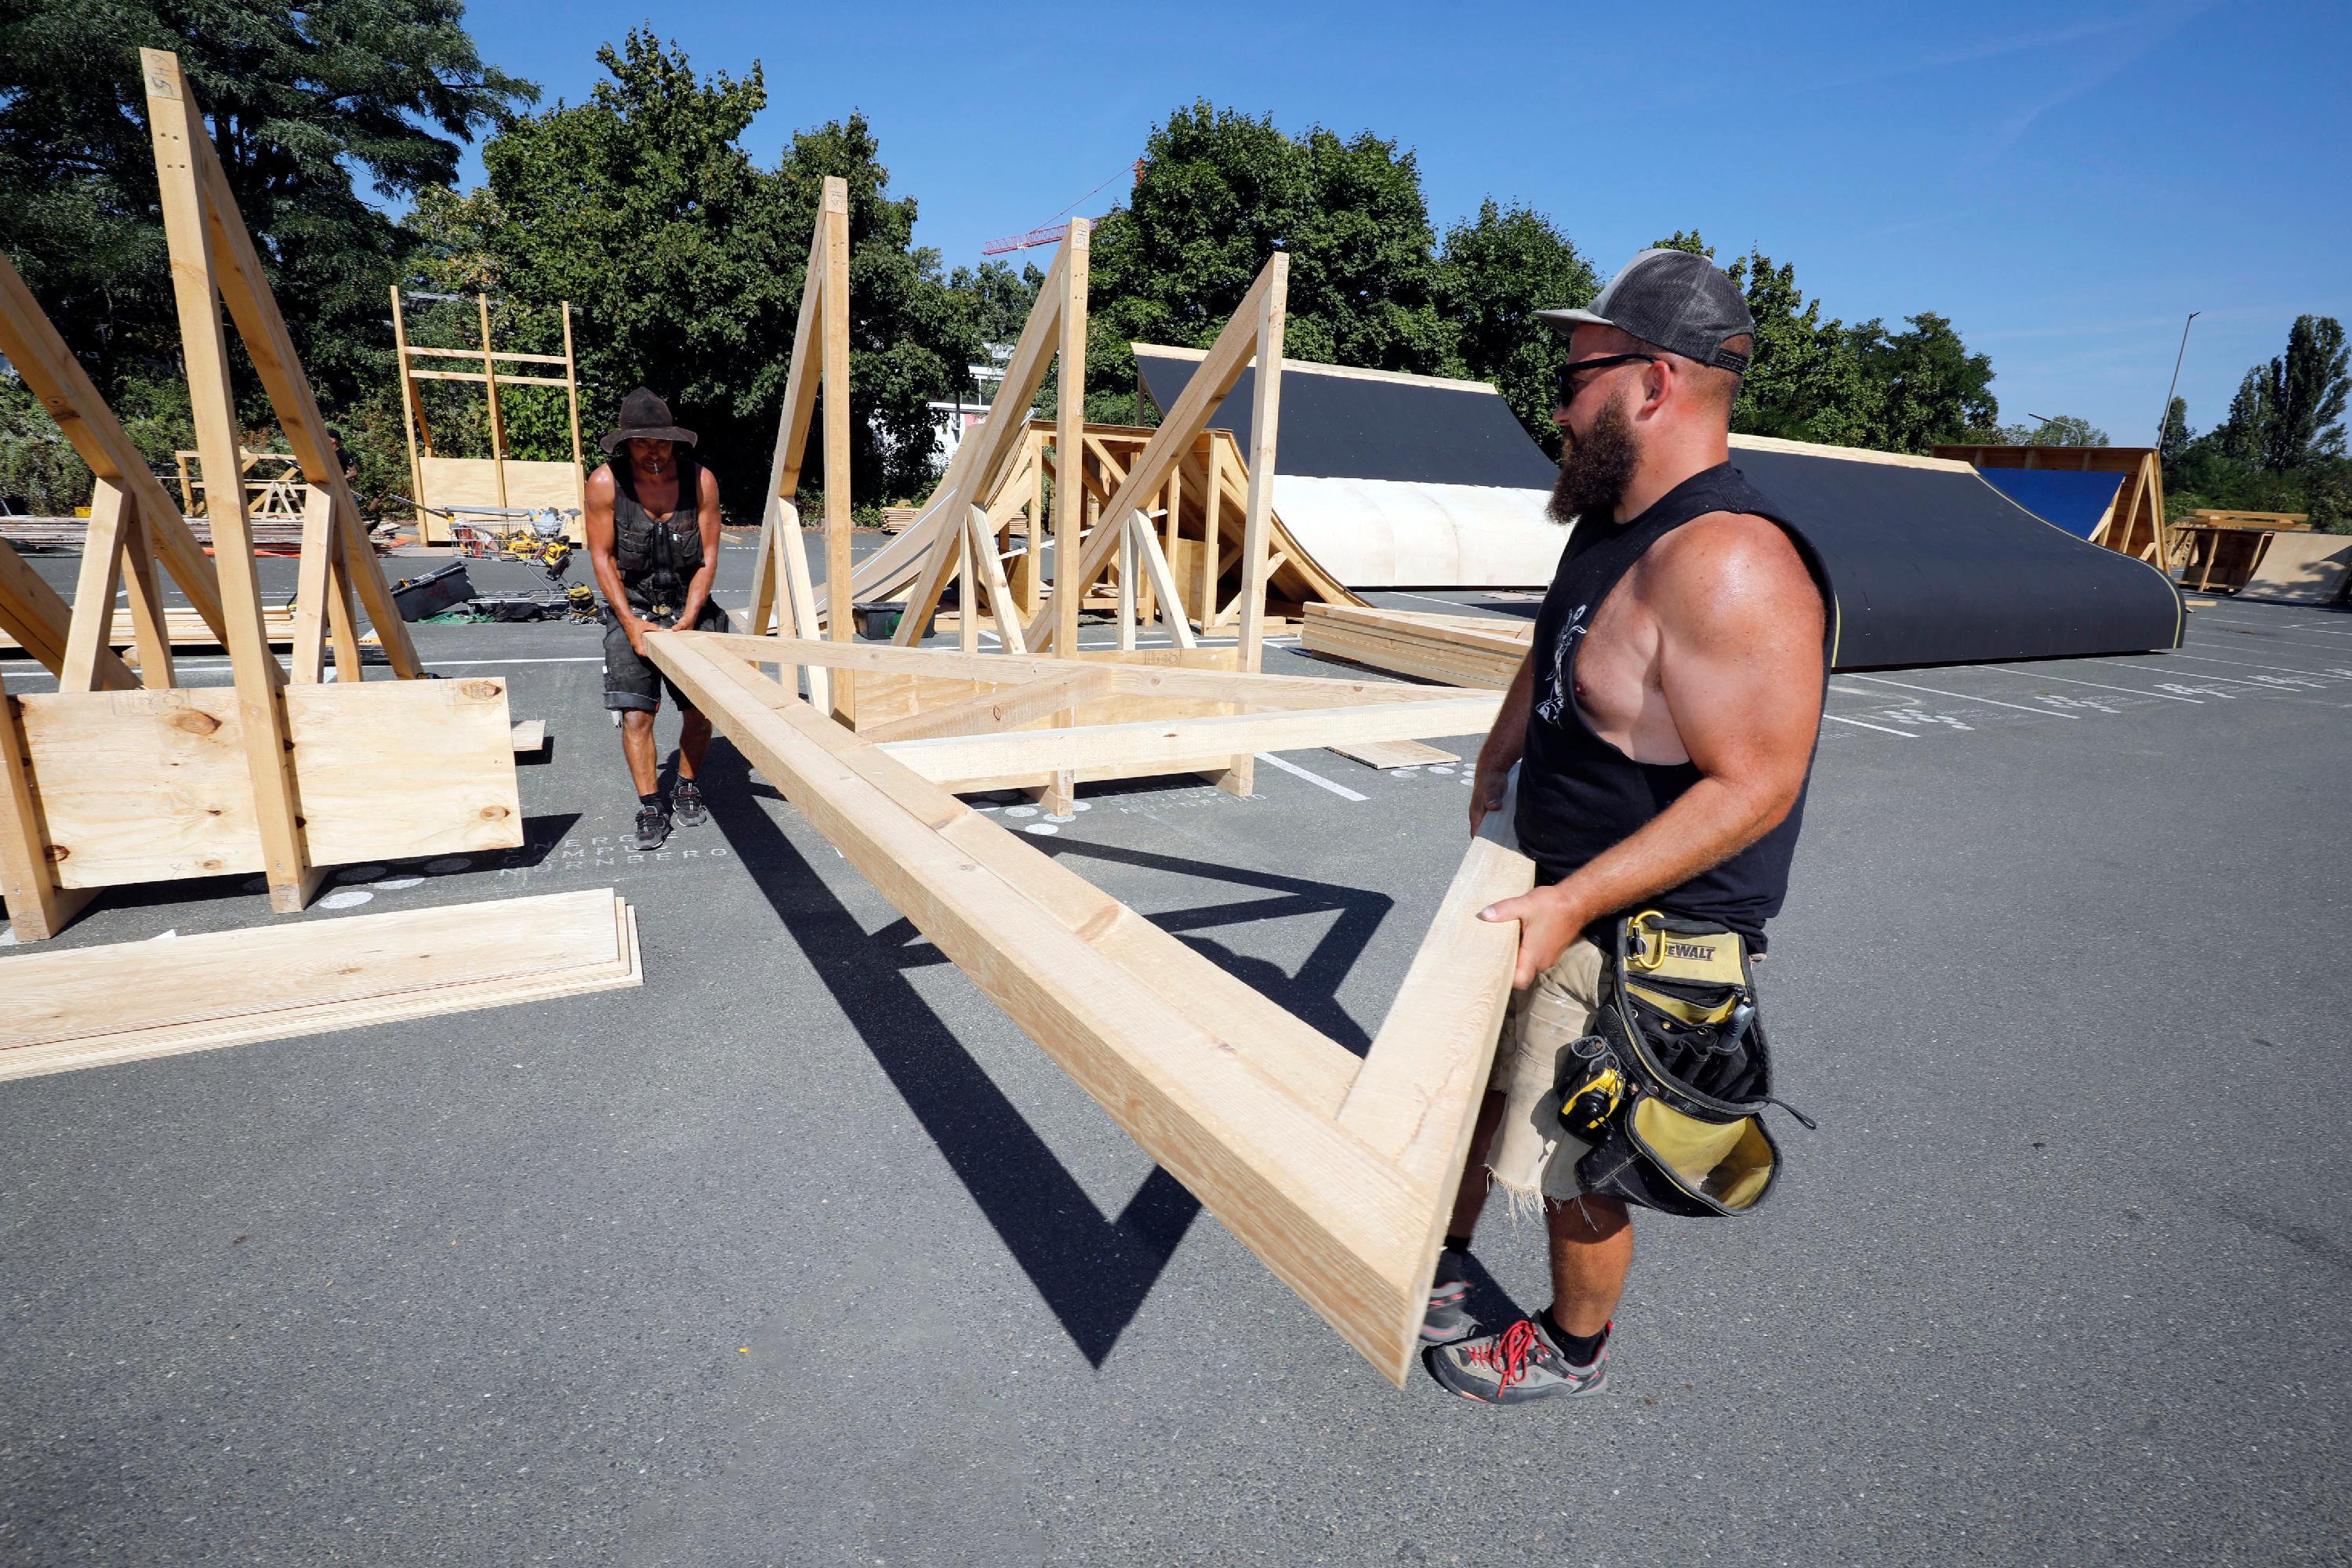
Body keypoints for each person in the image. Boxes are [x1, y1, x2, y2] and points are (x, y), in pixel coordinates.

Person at [1423, 250, 1830, 1404]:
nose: (1556, 403)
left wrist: (1573, 903)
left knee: (1577, 1158)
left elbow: (1757, 785)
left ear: (1654, 382)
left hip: (1632, 931)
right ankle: (1436, 1255)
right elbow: (1557, 641)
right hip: (1549, 883)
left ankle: (1570, 1349)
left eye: (1576, 376)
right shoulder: (1612, 516)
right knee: (1479, 1090)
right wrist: (1508, 742)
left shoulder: (1731, 561)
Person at [583, 387, 729, 851]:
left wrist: (690, 616)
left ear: (674, 442)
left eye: (662, 443)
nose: (654, 453)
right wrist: (629, 623)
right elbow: (602, 557)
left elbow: (707, 555)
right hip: (634, 606)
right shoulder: (606, 484)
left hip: (690, 605)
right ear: (626, 444)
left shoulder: (701, 481)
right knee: (635, 715)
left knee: (701, 709)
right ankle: (650, 804)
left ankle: (687, 783)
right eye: (644, 444)